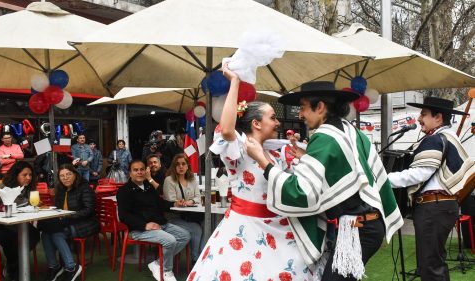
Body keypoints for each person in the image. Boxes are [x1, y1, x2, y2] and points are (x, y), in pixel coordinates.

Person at [245, 81, 404, 281]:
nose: (300, 115)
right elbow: (346, 169)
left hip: (357, 230)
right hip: (367, 224)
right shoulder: (349, 130)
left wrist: (262, 160)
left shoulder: (323, 137)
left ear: (320, 107)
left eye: (302, 108)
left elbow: (301, 192)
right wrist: (306, 157)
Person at [188, 65, 311, 281]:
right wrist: (235, 81)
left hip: (279, 226)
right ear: (256, 123)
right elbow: (226, 130)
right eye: (272, 117)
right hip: (245, 228)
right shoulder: (239, 148)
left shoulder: (275, 152)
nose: (277, 122)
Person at [388, 97, 475, 281]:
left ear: (438, 117)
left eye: (424, 114)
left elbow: (418, 175)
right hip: (442, 207)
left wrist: (383, 180)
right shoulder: (449, 138)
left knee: (430, 266)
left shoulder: (436, 139)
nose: (420, 118)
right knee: (434, 262)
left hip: (434, 208)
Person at [116, 159, 190, 281]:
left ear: (146, 171)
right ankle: (166, 271)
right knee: (170, 240)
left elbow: (160, 203)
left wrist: (174, 204)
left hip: (160, 224)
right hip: (139, 229)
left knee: (185, 235)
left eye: (142, 169)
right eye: (135, 170)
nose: (139, 172)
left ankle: (158, 263)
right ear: (130, 173)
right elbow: (124, 216)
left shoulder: (148, 187)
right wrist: (145, 225)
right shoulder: (124, 191)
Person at [0, 161, 40, 281]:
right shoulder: (2, 187)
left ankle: (12, 266)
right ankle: (15, 273)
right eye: (25, 175)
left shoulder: (28, 189)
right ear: (16, 175)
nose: (28, 178)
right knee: (13, 239)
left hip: (16, 224)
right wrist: (1, 208)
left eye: (30, 175)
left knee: (34, 234)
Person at [39, 164, 100, 281]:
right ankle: (54, 267)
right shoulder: (61, 190)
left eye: (68, 174)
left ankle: (71, 267)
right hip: (67, 221)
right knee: (46, 233)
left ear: (75, 174)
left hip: (86, 223)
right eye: (62, 176)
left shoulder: (84, 188)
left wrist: (67, 217)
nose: (65, 178)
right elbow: (58, 208)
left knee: (57, 233)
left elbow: (88, 210)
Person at [162, 154, 203, 263]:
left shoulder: (192, 179)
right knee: (197, 229)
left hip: (191, 215)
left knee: (207, 225)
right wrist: (179, 202)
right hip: (173, 217)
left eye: (183, 164)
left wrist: (190, 201)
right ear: (174, 167)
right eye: (178, 164)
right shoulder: (169, 180)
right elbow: (171, 200)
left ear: (187, 166)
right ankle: (196, 259)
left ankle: (203, 257)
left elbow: (198, 197)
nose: (181, 167)